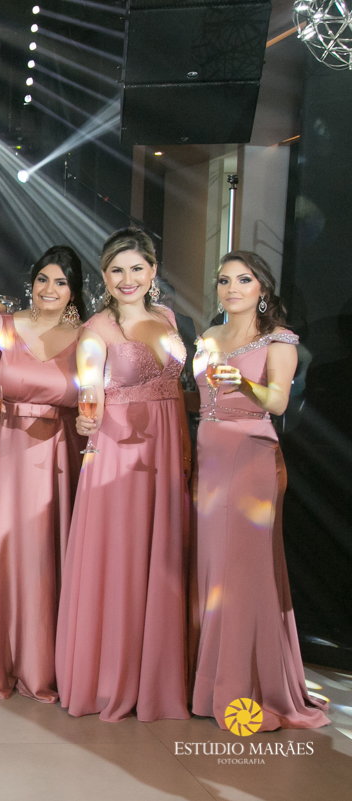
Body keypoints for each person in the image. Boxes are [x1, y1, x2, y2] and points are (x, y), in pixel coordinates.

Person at [56, 227, 191, 722]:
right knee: (123, 555)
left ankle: (154, 675)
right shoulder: (97, 329)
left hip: (168, 440)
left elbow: (177, 385)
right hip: (120, 448)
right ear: (104, 276)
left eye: (137, 268)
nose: (127, 278)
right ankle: (112, 676)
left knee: (161, 556)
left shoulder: (167, 317)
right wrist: (88, 417)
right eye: (117, 270)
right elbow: (90, 385)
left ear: (153, 271)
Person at [191, 251, 329, 731]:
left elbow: (278, 401)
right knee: (213, 567)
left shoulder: (279, 339)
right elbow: (200, 397)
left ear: (262, 290)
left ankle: (244, 687)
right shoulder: (209, 337)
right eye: (224, 280)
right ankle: (209, 683)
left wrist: (245, 384)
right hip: (208, 454)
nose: (232, 288)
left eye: (244, 280)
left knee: (242, 571)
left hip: (250, 454)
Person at [0, 245, 86, 703]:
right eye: (43, 279)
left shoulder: (86, 336)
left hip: (58, 453)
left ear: (73, 290)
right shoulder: (1, 326)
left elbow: (95, 394)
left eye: (61, 282)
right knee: (5, 548)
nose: (49, 289)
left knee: (44, 555)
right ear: (31, 282)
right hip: (8, 449)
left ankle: (44, 666)